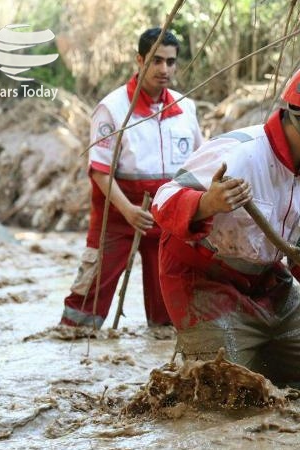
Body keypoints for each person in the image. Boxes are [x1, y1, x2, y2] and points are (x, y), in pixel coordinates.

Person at [152, 60, 300, 403]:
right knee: (227, 387)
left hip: (265, 280)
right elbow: (164, 200)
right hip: (202, 278)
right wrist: (207, 203)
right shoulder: (237, 152)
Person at [60, 28, 203, 328]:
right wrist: (129, 211)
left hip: (166, 217)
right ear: (140, 60)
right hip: (117, 214)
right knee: (85, 308)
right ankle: (73, 349)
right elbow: (100, 171)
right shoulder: (112, 109)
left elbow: (198, 164)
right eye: (156, 61)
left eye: (170, 62)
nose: (164, 69)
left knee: (168, 315)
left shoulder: (186, 108)